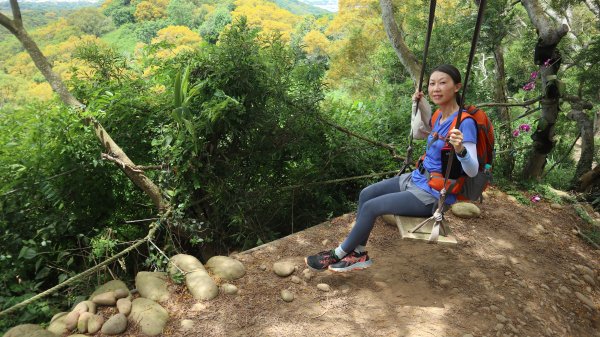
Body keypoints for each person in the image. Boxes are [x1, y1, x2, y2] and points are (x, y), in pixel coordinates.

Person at [305, 64, 479, 272]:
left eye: (443, 83)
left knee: (371, 207)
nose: (436, 88)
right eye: (432, 83)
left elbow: (472, 170)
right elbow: (419, 133)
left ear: (457, 87)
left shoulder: (464, 123)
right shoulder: (439, 116)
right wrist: (419, 106)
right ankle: (358, 253)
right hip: (416, 178)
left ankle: (337, 254)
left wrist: (460, 150)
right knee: (366, 194)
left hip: (432, 195)